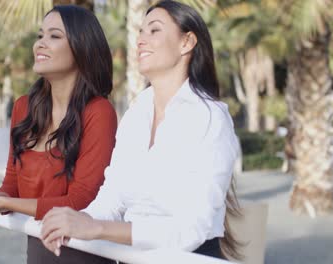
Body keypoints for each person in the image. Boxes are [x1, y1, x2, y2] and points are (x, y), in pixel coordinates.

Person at [40, 0, 240, 260]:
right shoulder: (137, 112)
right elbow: (112, 198)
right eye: (140, 32)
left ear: (187, 42)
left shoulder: (210, 117)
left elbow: (193, 228)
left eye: (154, 30)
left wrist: (98, 228)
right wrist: (77, 220)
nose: (141, 40)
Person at [0, 5, 117, 264]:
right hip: (38, 251)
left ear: (82, 47)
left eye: (54, 36)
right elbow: (12, 184)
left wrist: (1, 205)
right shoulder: (23, 108)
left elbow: (81, 200)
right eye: (40, 35)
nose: (40, 44)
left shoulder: (99, 112)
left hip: (87, 255)